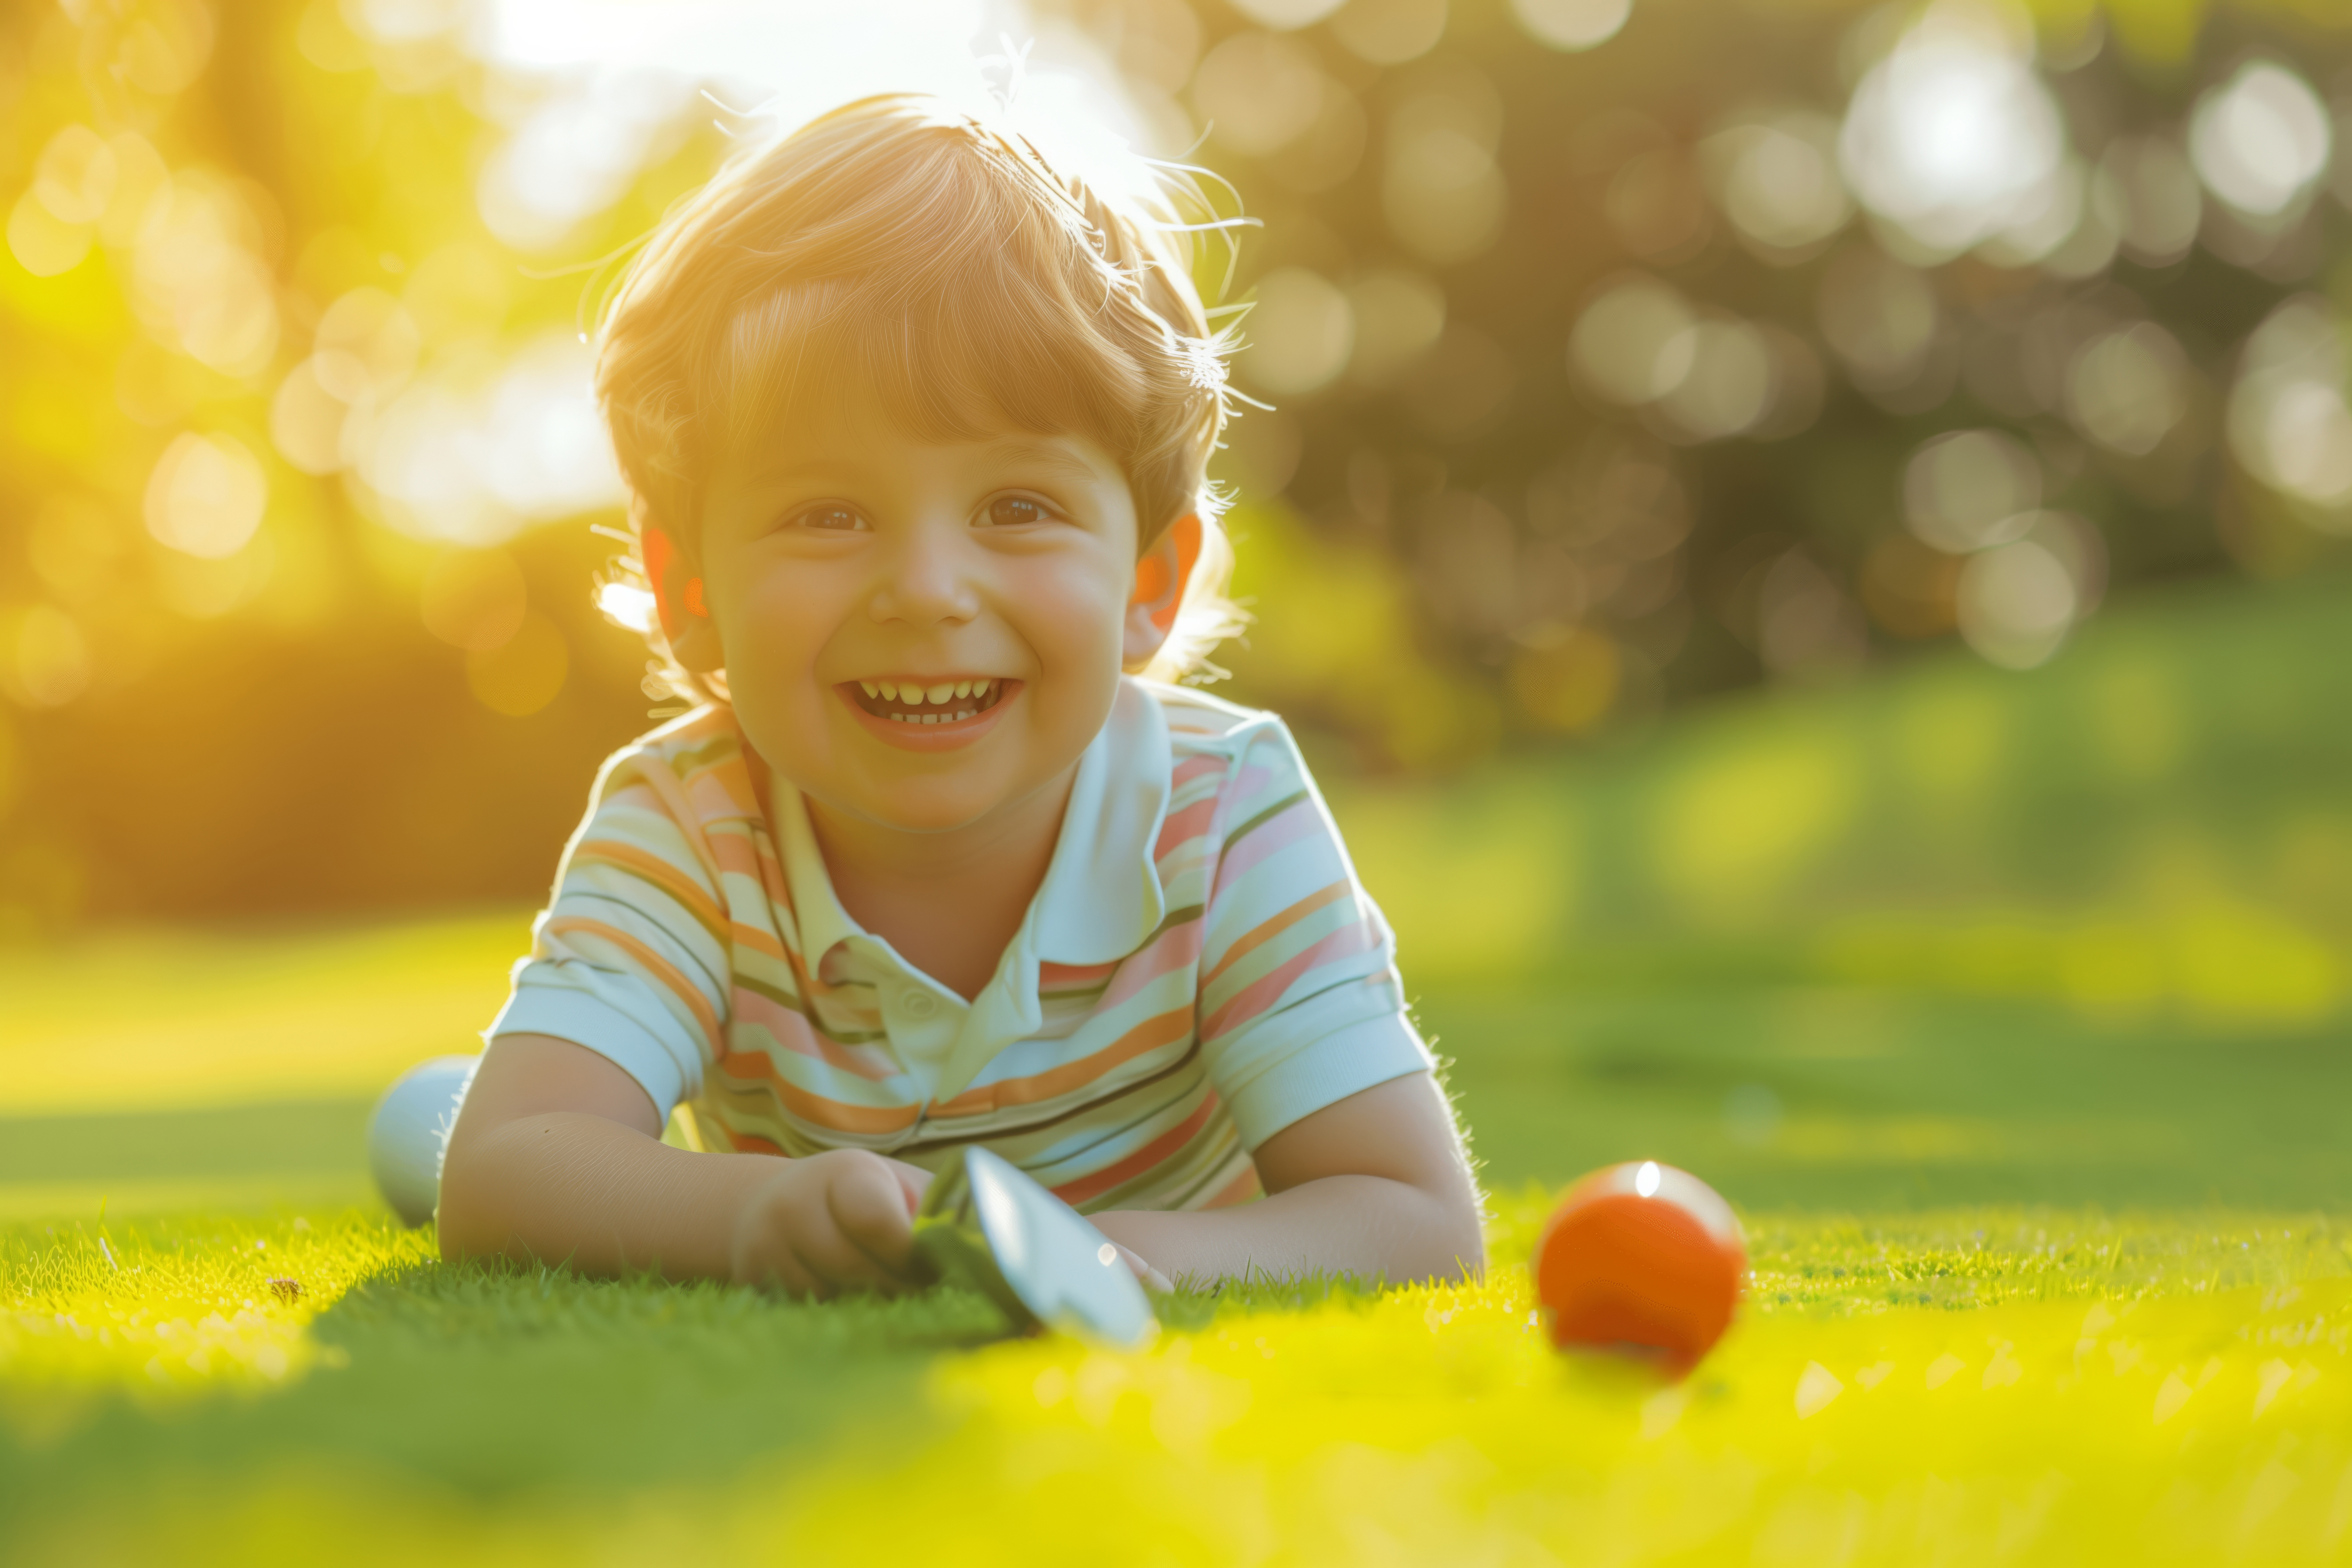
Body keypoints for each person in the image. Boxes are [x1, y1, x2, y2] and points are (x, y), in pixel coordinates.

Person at [396, 93, 1483, 1298]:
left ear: (1149, 581)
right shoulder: (689, 828)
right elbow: (503, 1170)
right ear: (690, 588)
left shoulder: (1223, 815)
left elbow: (1413, 1217)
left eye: (1017, 508)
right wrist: (761, 1214)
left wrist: (1118, 1266)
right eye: (828, 514)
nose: (925, 590)